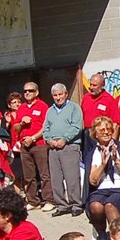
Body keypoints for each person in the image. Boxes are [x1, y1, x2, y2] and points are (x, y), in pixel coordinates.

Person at [83, 114, 120, 240]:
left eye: (109, 129)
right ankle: (102, 234)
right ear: (95, 133)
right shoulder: (93, 153)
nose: (106, 132)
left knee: (109, 205)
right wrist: (103, 164)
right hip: (102, 188)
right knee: (95, 206)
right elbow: (93, 181)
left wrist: (116, 161)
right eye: (102, 130)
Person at [42, 82, 83, 217]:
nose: (58, 97)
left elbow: (77, 126)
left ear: (65, 94)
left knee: (71, 177)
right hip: (53, 148)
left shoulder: (74, 108)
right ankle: (61, 205)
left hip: (69, 146)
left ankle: (76, 204)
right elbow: (45, 128)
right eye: (55, 95)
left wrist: (64, 139)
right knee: (56, 178)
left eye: (60, 94)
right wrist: (49, 140)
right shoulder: (50, 110)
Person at [12, 81, 51, 208]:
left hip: (39, 144)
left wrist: (33, 138)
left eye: (30, 90)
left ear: (37, 92)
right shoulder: (21, 108)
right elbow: (16, 128)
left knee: (44, 174)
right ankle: (33, 200)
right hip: (25, 145)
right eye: (25, 91)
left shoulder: (43, 106)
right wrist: (22, 123)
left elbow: (46, 127)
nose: (27, 93)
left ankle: (49, 200)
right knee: (28, 175)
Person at [79, 73, 120, 138]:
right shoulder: (86, 98)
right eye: (90, 84)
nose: (91, 88)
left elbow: (115, 124)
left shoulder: (109, 100)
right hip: (87, 134)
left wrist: (113, 142)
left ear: (102, 85)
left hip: (102, 134)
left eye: (94, 85)